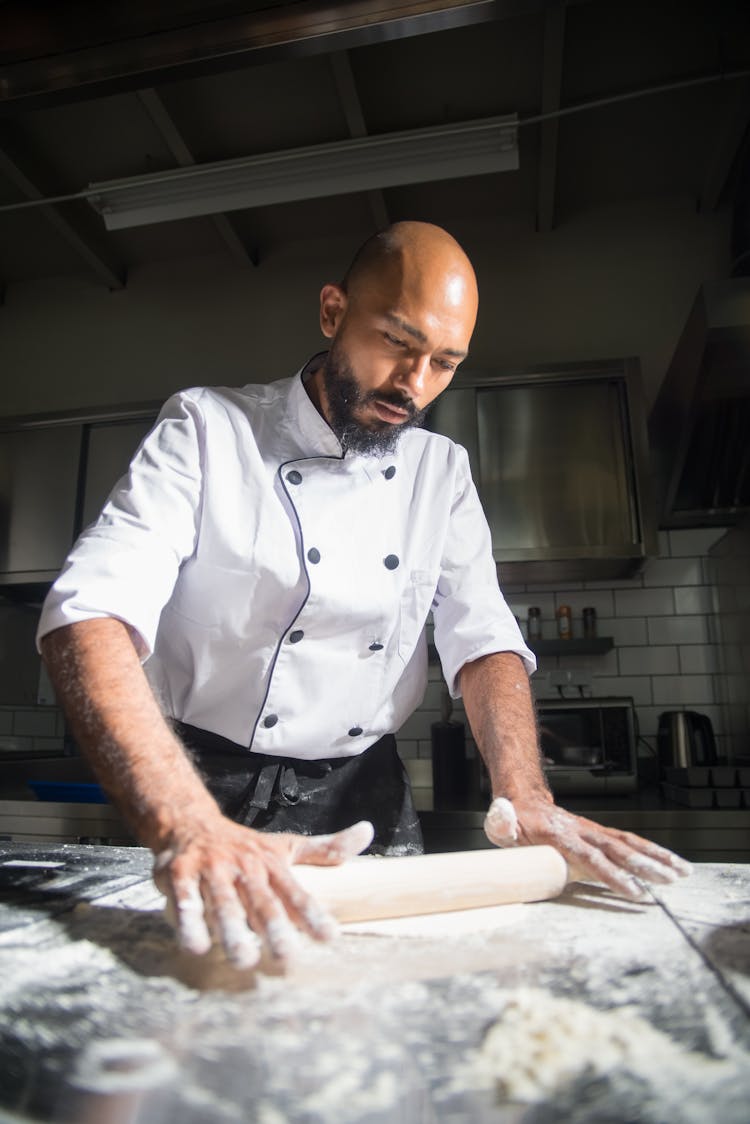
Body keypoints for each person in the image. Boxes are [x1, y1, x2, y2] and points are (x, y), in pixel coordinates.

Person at [38, 221, 690, 969]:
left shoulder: (439, 473)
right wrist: (185, 821)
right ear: (332, 311)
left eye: (445, 363)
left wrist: (527, 795)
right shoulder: (208, 430)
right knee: (189, 1009)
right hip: (199, 787)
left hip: (365, 797)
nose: (414, 386)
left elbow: (482, 641)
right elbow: (89, 613)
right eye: (397, 343)